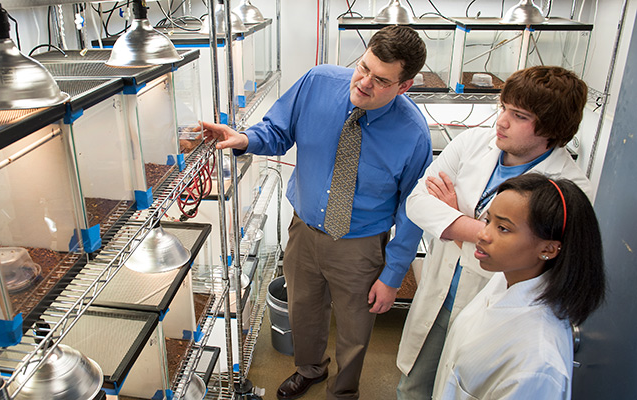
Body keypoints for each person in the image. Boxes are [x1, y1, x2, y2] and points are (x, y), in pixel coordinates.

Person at [201, 25, 431, 399]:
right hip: (304, 230)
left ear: (403, 87)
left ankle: (343, 391)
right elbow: (278, 130)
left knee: (356, 329)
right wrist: (245, 139)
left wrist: (392, 275)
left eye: (381, 80)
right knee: (303, 310)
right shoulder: (318, 82)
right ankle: (309, 370)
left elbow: (412, 210)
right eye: (364, 68)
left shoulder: (414, 135)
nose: (364, 83)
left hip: (359, 244)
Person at [396, 65, 592, 400]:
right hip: (441, 295)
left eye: (518, 115)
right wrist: (490, 232)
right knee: (412, 387)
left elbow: (535, 265)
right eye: (503, 108)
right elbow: (417, 202)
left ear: (552, 128)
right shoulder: (476, 141)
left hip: (495, 307)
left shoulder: (569, 190)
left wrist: (456, 220)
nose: (501, 121)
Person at [433, 173, 606, 399]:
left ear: (548, 249)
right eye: (488, 220)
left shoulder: (538, 363)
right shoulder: (506, 278)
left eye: (503, 228)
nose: (483, 234)